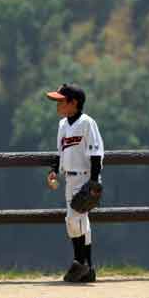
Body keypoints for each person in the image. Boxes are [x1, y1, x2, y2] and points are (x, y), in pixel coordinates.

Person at [46, 83, 104, 283]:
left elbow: (96, 155)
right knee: (80, 223)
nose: (57, 104)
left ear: (74, 102)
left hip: (84, 177)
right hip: (69, 178)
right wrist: (54, 170)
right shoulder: (63, 125)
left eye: (61, 101)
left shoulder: (87, 123)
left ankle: (79, 262)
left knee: (73, 220)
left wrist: (94, 183)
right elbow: (59, 153)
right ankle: (87, 269)